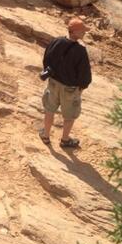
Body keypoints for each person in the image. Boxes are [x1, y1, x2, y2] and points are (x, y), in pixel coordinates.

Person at [39, 17, 92, 149]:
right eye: (82, 31)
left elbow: (47, 58)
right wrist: (82, 87)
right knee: (70, 115)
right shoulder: (80, 51)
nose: (84, 33)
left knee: (50, 109)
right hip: (70, 88)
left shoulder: (56, 41)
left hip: (53, 83)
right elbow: (84, 73)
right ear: (74, 32)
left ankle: (45, 135)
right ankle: (65, 140)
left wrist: (50, 72)